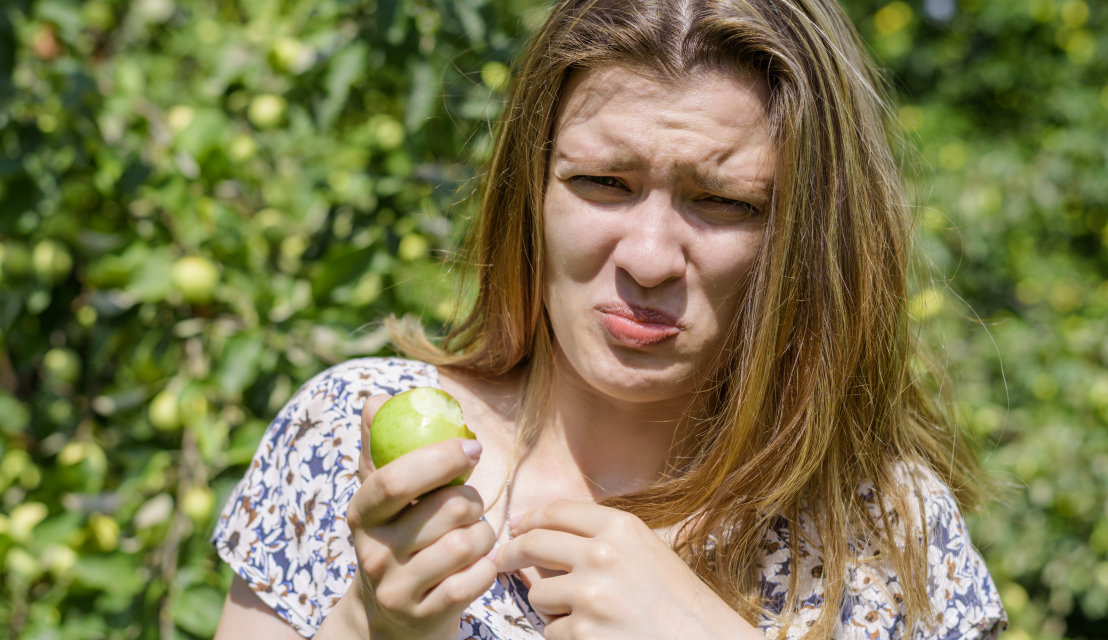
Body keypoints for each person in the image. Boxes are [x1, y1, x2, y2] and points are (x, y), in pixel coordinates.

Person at [211, 0, 1009, 638]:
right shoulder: (347, 443)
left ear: (805, 236)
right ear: (533, 189)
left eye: (724, 202)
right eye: (602, 182)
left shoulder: (888, 537)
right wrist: (373, 626)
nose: (651, 257)